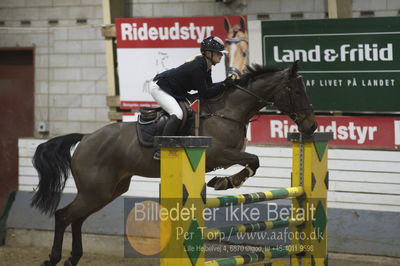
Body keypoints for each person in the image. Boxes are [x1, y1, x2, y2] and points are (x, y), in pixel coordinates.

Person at [150, 36, 235, 160]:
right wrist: (223, 85)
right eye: (218, 53)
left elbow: (209, 87)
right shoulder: (198, 67)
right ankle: (160, 149)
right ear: (208, 53)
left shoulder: (206, 66)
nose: (221, 56)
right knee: (177, 113)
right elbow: (205, 93)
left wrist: (225, 84)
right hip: (160, 88)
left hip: (175, 90)